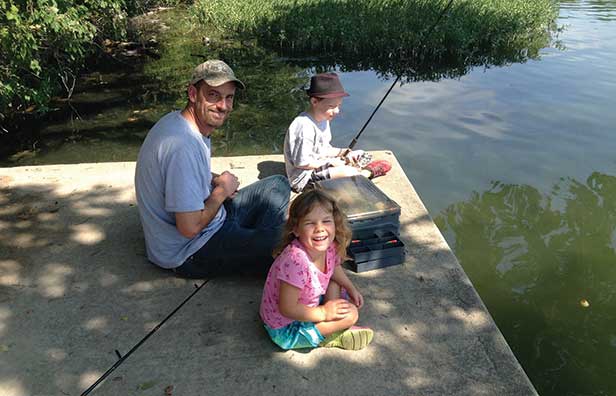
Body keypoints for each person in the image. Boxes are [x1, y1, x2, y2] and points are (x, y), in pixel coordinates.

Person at [135, 60, 291, 278]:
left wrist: (214, 180)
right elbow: (188, 228)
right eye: (213, 95)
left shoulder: (180, 123)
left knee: (277, 184)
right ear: (192, 93)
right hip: (191, 250)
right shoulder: (182, 145)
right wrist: (222, 191)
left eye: (229, 97)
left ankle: (260, 247)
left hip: (213, 221)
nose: (223, 106)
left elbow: (180, 175)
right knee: (295, 245)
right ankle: (267, 252)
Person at [259, 189, 374, 350]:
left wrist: (350, 287)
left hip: (307, 305)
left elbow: (333, 267)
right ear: (296, 229)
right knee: (351, 315)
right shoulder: (295, 261)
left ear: (335, 223)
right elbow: (287, 308)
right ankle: (329, 336)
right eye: (310, 223)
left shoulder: (328, 246)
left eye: (326, 221)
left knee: (335, 283)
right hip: (286, 327)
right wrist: (324, 313)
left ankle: (329, 322)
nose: (319, 228)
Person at [284, 72, 391, 193]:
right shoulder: (304, 127)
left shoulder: (323, 118)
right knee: (349, 172)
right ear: (314, 101)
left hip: (318, 163)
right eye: (332, 106)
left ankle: (353, 169)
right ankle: (366, 173)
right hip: (303, 178)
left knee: (360, 154)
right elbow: (302, 162)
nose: (337, 111)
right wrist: (331, 162)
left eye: (339, 105)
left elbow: (323, 149)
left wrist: (343, 152)